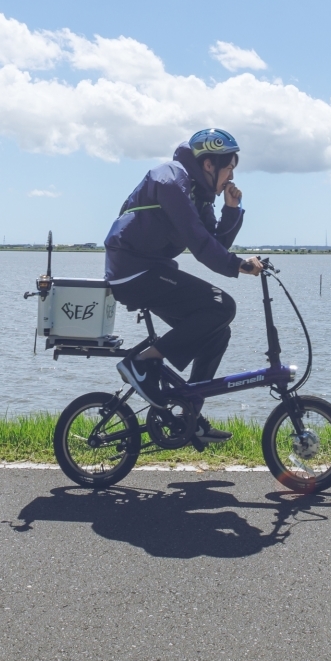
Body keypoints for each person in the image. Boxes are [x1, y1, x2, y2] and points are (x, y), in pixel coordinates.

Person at [104, 128, 264, 444]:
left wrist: (231, 210)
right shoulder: (169, 180)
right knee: (222, 306)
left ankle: (190, 415)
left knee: (217, 329)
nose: (231, 176)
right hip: (132, 271)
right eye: (229, 167)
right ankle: (143, 362)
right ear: (209, 165)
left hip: (153, 270)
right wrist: (238, 265)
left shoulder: (197, 193)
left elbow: (214, 240)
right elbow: (199, 241)